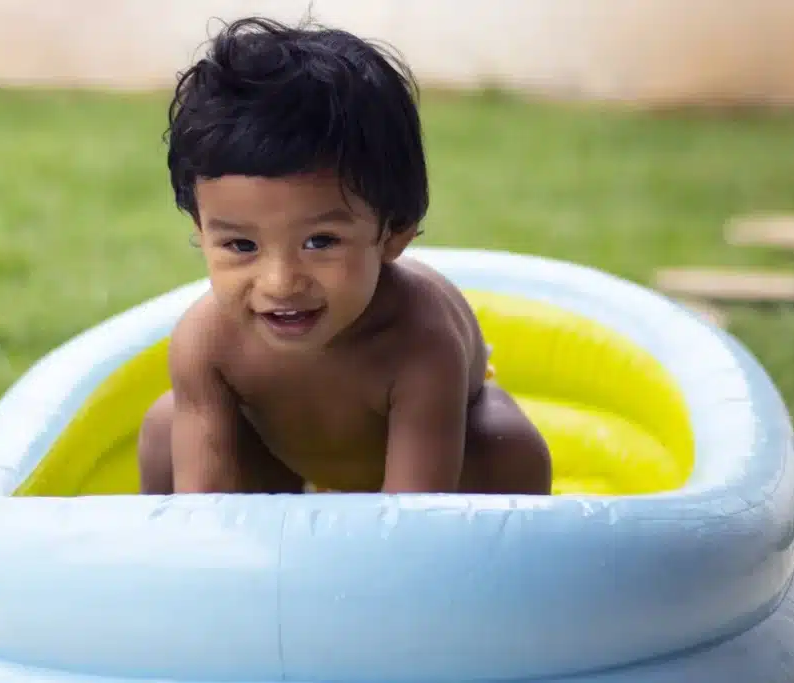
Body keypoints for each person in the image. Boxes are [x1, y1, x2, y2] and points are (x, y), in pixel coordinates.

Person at [137, 16, 551, 495]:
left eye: (320, 242)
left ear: (394, 231)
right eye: (241, 245)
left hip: (436, 464)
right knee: (164, 428)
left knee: (509, 444)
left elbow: (413, 523)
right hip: (282, 453)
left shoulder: (418, 342)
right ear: (202, 232)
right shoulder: (207, 344)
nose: (280, 282)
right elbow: (204, 514)